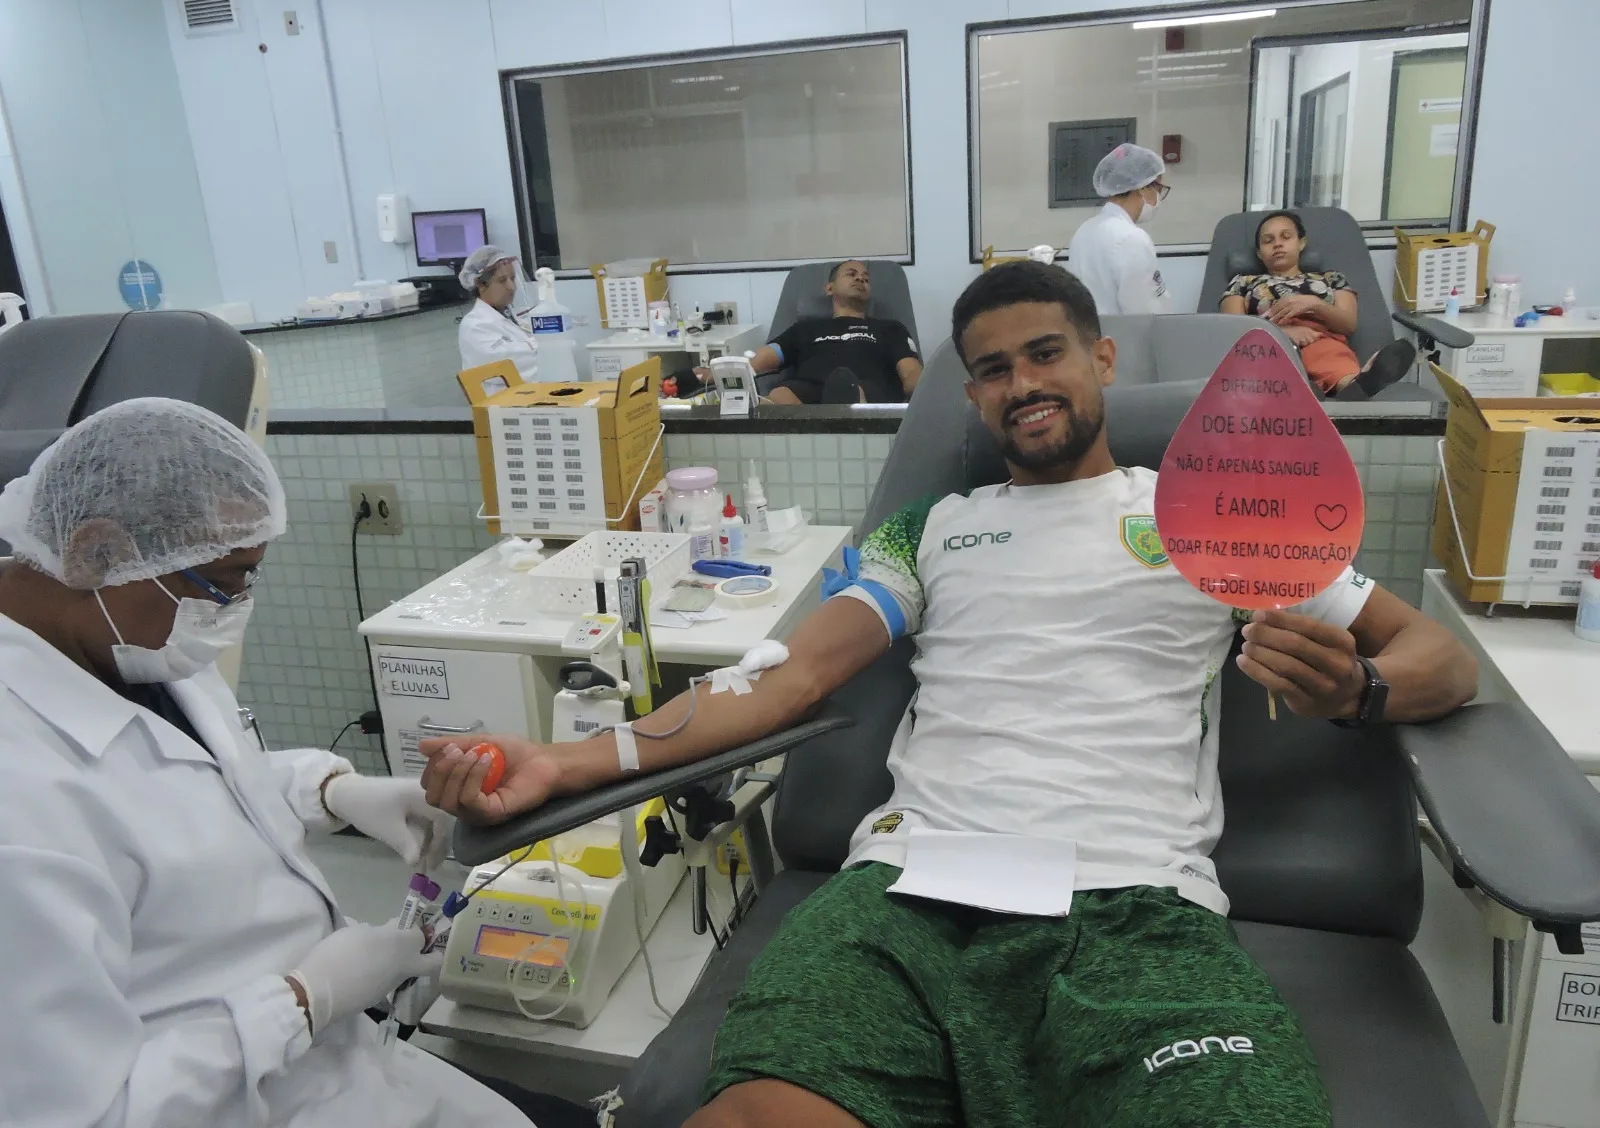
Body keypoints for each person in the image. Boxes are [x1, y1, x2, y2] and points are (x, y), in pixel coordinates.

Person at [421, 262, 1479, 1128]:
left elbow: (1442, 658)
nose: (1020, 382)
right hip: (905, 900)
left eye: (1044, 353)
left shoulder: (1213, 515)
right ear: (968, 393)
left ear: (1100, 359)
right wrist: (565, 761)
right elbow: (789, 674)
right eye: (990, 369)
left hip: (1130, 909)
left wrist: (1363, 690)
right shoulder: (924, 529)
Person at [0, 398, 587, 1127]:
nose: (236, 604)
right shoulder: (18, 805)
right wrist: (303, 1001)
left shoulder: (129, 640)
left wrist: (334, 790)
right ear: (95, 551)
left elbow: (196, 785)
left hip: (340, 1064)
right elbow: (85, 1115)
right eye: (225, 579)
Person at [1220, 210, 1416, 400]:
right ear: (1259, 253)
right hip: (1267, 344)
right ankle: (1299, 389)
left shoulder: (1331, 279)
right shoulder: (1243, 282)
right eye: (1268, 240)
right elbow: (1234, 328)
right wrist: (1282, 332)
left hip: (1319, 339)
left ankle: (1355, 386)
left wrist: (1314, 304)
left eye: (1286, 237)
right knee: (1267, 362)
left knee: (1331, 357)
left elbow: (1348, 324)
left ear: (1301, 243)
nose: (1277, 244)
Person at [748, 260, 922, 404]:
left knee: (851, 389)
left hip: (867, 390)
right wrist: (732, 373)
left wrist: (921, 396)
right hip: (809, 390)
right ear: (829, 288)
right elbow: (768, 355)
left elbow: (911, 371)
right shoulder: (804, 328)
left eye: (866, 278)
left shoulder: (891, 328)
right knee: (780, 395)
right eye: (851, 274)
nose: (861, 279)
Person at [1066, 142, 1174, 316]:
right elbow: (1146, 311)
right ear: (1143, 188)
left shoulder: (1084, 231)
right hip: (1126, 340)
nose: (1159, 198)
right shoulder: (1131, 238)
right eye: (1159, 189)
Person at [458, 245, 539, 381]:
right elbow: (512, 363)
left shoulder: (512, 317)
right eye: (502, 281)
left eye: (512, 278)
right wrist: (547, 345)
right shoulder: (475, 325)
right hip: (504, 400)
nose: (511, 287)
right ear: (481, 285)